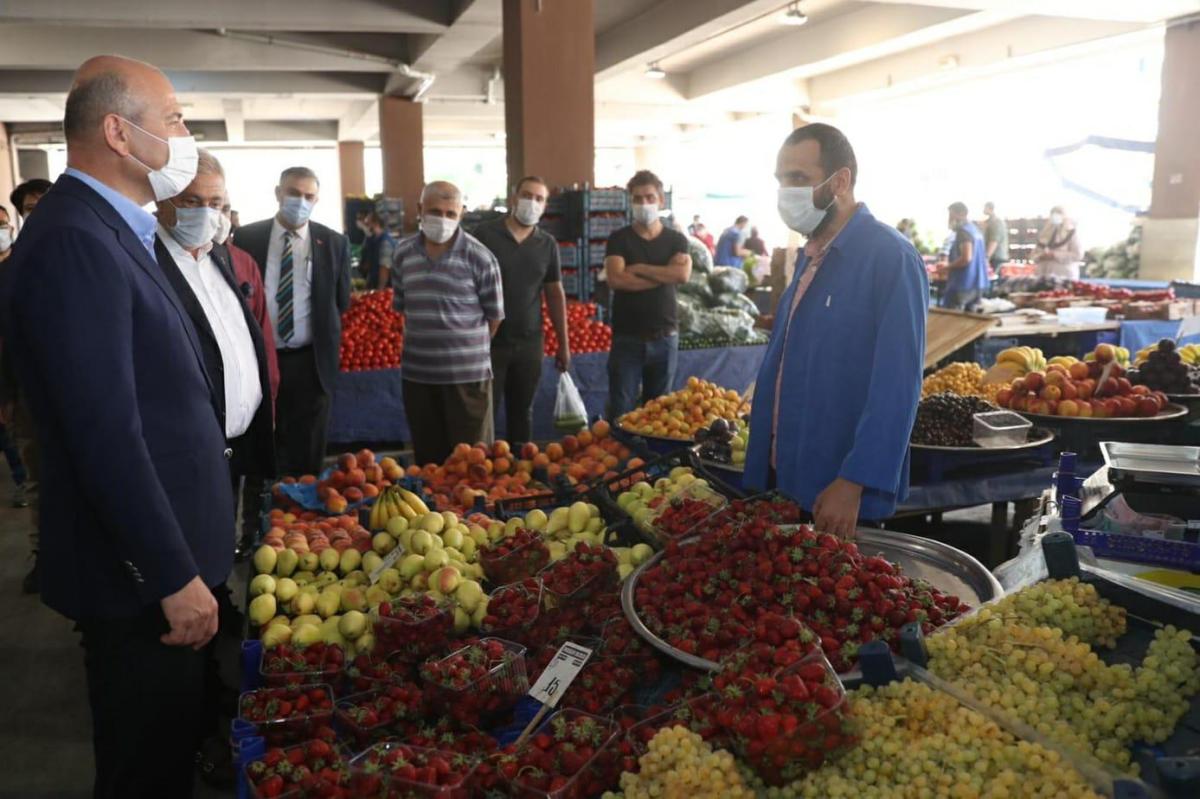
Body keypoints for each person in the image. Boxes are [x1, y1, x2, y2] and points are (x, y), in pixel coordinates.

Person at [0, 54, 234, 798]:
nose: (185, 135)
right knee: (145, 769)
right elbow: (103, 432)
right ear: (119, 133)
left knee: (167, 749)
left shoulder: (113, 228)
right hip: (140, 581)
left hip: (165, 558)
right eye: (174, 119)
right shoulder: (76, 239)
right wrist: (170, 575)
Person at [746, 123, 926, 538]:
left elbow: (898, 385)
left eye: (798, 178)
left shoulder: (890, 258)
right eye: (780, 180)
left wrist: (854, 480)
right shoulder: (812, 256)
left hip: (839, 490)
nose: (786, 192)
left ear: (840, 181)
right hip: (788, 475)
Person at [153, 150, 275, 520]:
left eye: (216, 203)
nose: (206, 213)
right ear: (161, 199)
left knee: (221, 535)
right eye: (192, 201)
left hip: (235, 444)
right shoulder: (144, 262)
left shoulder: (223, 259)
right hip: (177, 452)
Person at [236, 167, 352, 477]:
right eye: (293, 193)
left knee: (308, 446)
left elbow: (341, 301)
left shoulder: (333, 242)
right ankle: (263, 499)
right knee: (264, 441)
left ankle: (305, 500)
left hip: (310, 362)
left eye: (308, 196)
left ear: (316, 200)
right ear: (278, 193)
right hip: (262, 359)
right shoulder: (247, 238)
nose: (301, 201)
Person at [392, 181, 504, 464]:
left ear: (461, 214)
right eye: (434, 212)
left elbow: (494, 317)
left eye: (450, 214)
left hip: (467, 380)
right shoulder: (403, 253)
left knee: (472, 463)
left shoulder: (480, 257)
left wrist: (463, 350)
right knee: (429, 464)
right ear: (420, 209)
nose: (442, 220)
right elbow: (403, 308)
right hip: (418, 378)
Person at [474, 175, 569, 445]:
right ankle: (482, 464)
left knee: (522, 413)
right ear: (514, 198)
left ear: (545, 205)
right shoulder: (485, 234)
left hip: (529, 343)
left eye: (539, 198)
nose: (532, 202)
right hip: (489, 342)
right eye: (527, 195)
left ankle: (519, 466)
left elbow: (554, 292)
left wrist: (563, 344)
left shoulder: (547, 244)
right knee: (483, 413)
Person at [603, 170, 692, 419]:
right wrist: (663, 275)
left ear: (661, 200)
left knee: (659, 413)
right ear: (631, 202)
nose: (644, 204)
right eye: (638, 199)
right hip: (627, 338)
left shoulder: (676, 240)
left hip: (665, 336)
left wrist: (639, 268)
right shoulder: (619, 239)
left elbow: (681, 275)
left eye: (650, 198)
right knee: (621, 410)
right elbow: (616, 279)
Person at [942, 201, 989, 310]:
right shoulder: (976, 230)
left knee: (951, 317)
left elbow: (966, 258)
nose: (949, 219)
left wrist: (946, 267)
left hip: (963, 283)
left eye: (951, 215)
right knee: (970, 318)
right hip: (978, 283)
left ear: (961, 214)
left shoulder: (963, 232)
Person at [1033, 206, 1082, 280]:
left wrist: (1055, 255)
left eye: (1059, 214)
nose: (1055, 217)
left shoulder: (1072, 233)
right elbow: (1034, 253)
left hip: (1064, 276)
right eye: (1053, 214)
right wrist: (1040, 256)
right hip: (1043, 275)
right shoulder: (1044, 234)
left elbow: (1077, 255)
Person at [358, 211, 396, 290]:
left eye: (367, 224)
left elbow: (384, 269)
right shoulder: (373, 240)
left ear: (376, 224)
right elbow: (368, 265)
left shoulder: (385, 243)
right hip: (373, 284)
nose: (365, 227)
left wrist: (379, 291)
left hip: (386, 289)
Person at [982, 201, 1009, 274]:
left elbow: (994, 241)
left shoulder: (996, 222)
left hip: (996, 258)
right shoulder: (989, 222)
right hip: (994, 258)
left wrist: (986, 257)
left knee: (994, 279)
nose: (983, 210)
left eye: (985, 207)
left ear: (990, 208)